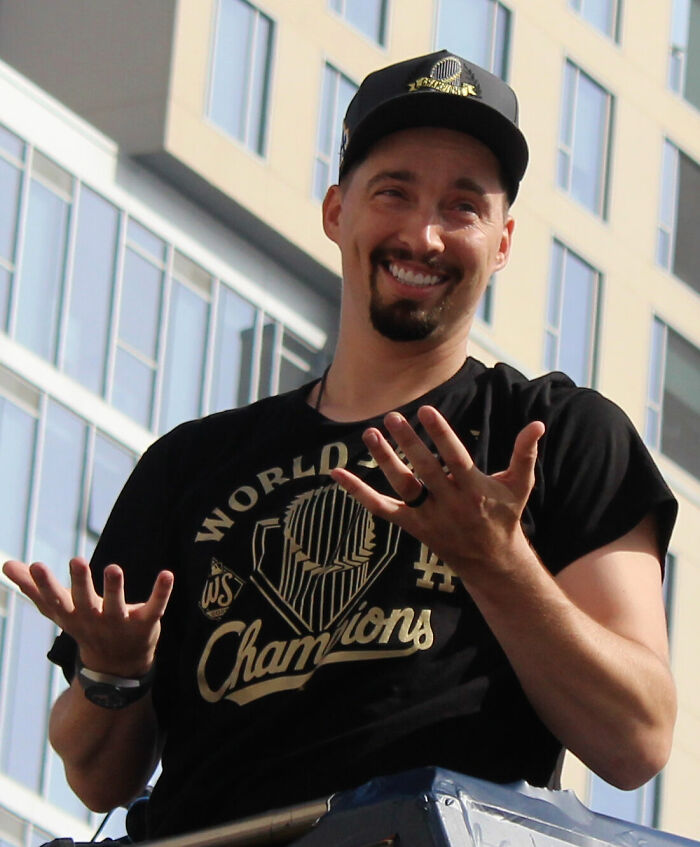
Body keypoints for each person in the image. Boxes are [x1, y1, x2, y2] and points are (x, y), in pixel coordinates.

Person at [3, 50, 677, 840]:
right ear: (336, 212)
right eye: (394, 192)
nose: (423, 233)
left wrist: (497, 562)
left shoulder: (553, 434)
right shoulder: (192, 465)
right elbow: (94, 775)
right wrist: (113, 672)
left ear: (501, 242)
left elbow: (638, 737)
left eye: (463, 206)